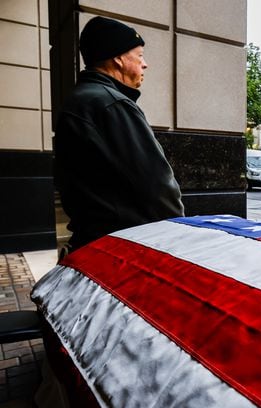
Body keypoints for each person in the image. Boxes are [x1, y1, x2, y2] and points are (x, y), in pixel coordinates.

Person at [54, 16, 184, 254]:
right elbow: (155, 184)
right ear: (119, 58)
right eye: (140, 55)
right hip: (122, 245)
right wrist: (175, 232)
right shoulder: (110, 104)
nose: (145, 64)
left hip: (93, 241)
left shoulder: (80, 100)